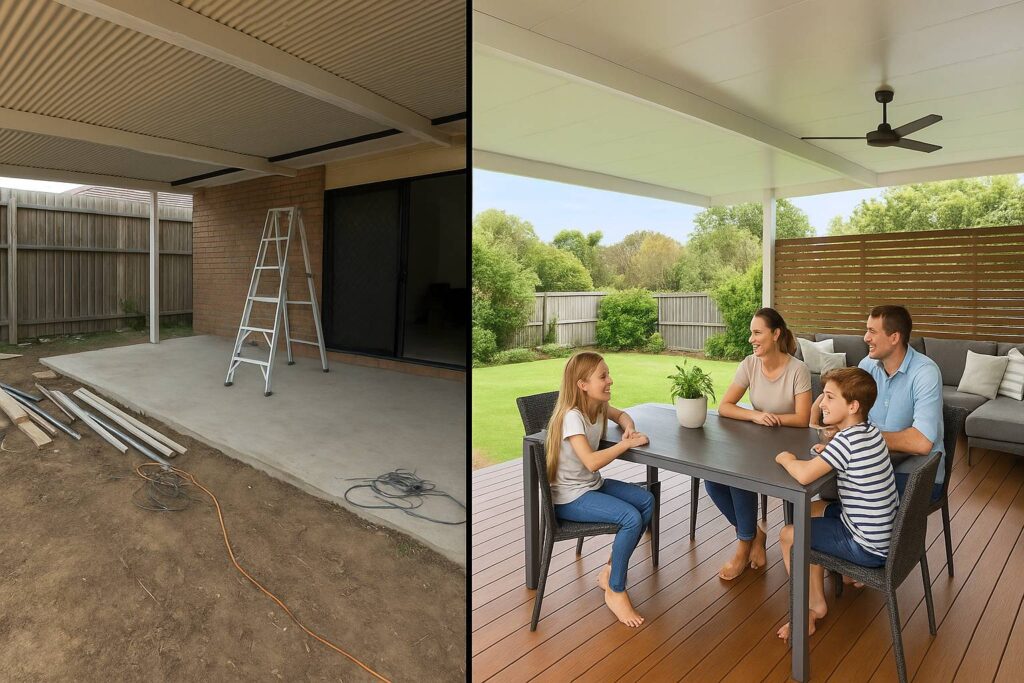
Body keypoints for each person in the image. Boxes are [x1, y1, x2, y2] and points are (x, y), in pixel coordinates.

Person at [775, 367, 898, 640]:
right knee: (812, 511)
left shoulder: (846, 441)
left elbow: (805, 473)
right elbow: (846, 451)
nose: (822, 403)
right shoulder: (871, 432)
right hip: (884, 535)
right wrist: (830, 450)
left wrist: (786, 459)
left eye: (830, 397)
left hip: (866, 545)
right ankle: (821, 586)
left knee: (790, 535)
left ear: (853, 405)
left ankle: (811, 609)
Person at [545, 351, 654, 627]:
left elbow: (623, 416)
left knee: (645, 501)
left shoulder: (597, 406)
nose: (610, 381)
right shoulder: (572, 417)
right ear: (582, 384)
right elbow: (592, 462)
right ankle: (616, 591)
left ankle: (608, 573)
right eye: (602, 376)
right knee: (630, 518)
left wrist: (628, 428)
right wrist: (625, 445)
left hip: (590, 487)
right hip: (569, 498)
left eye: (608, 374)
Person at [711, 308, 812, 580]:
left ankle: (744, 545)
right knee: (714, 478)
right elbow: (725, 406)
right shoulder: (749, 364)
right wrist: (755, 415)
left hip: (790, 451)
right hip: (757, 446)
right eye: (751, 333)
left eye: (757, 333)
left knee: (740, 477)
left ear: (776, 334)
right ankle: (754, 534)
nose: (751, 339)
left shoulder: (797, 369)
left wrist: (773, 419)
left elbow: (803, 419)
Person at [811, 305, 944, 501]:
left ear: (894, 337)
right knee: (820, 482)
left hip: (917, 475)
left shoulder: (925, 373)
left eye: (872, 331)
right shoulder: (867, 365)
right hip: (875, 462)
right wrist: (838, 435)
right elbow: (851, 412)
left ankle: (845, 526)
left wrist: (856, 440)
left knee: (834, 489)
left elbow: (922, 442)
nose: (866, 337)